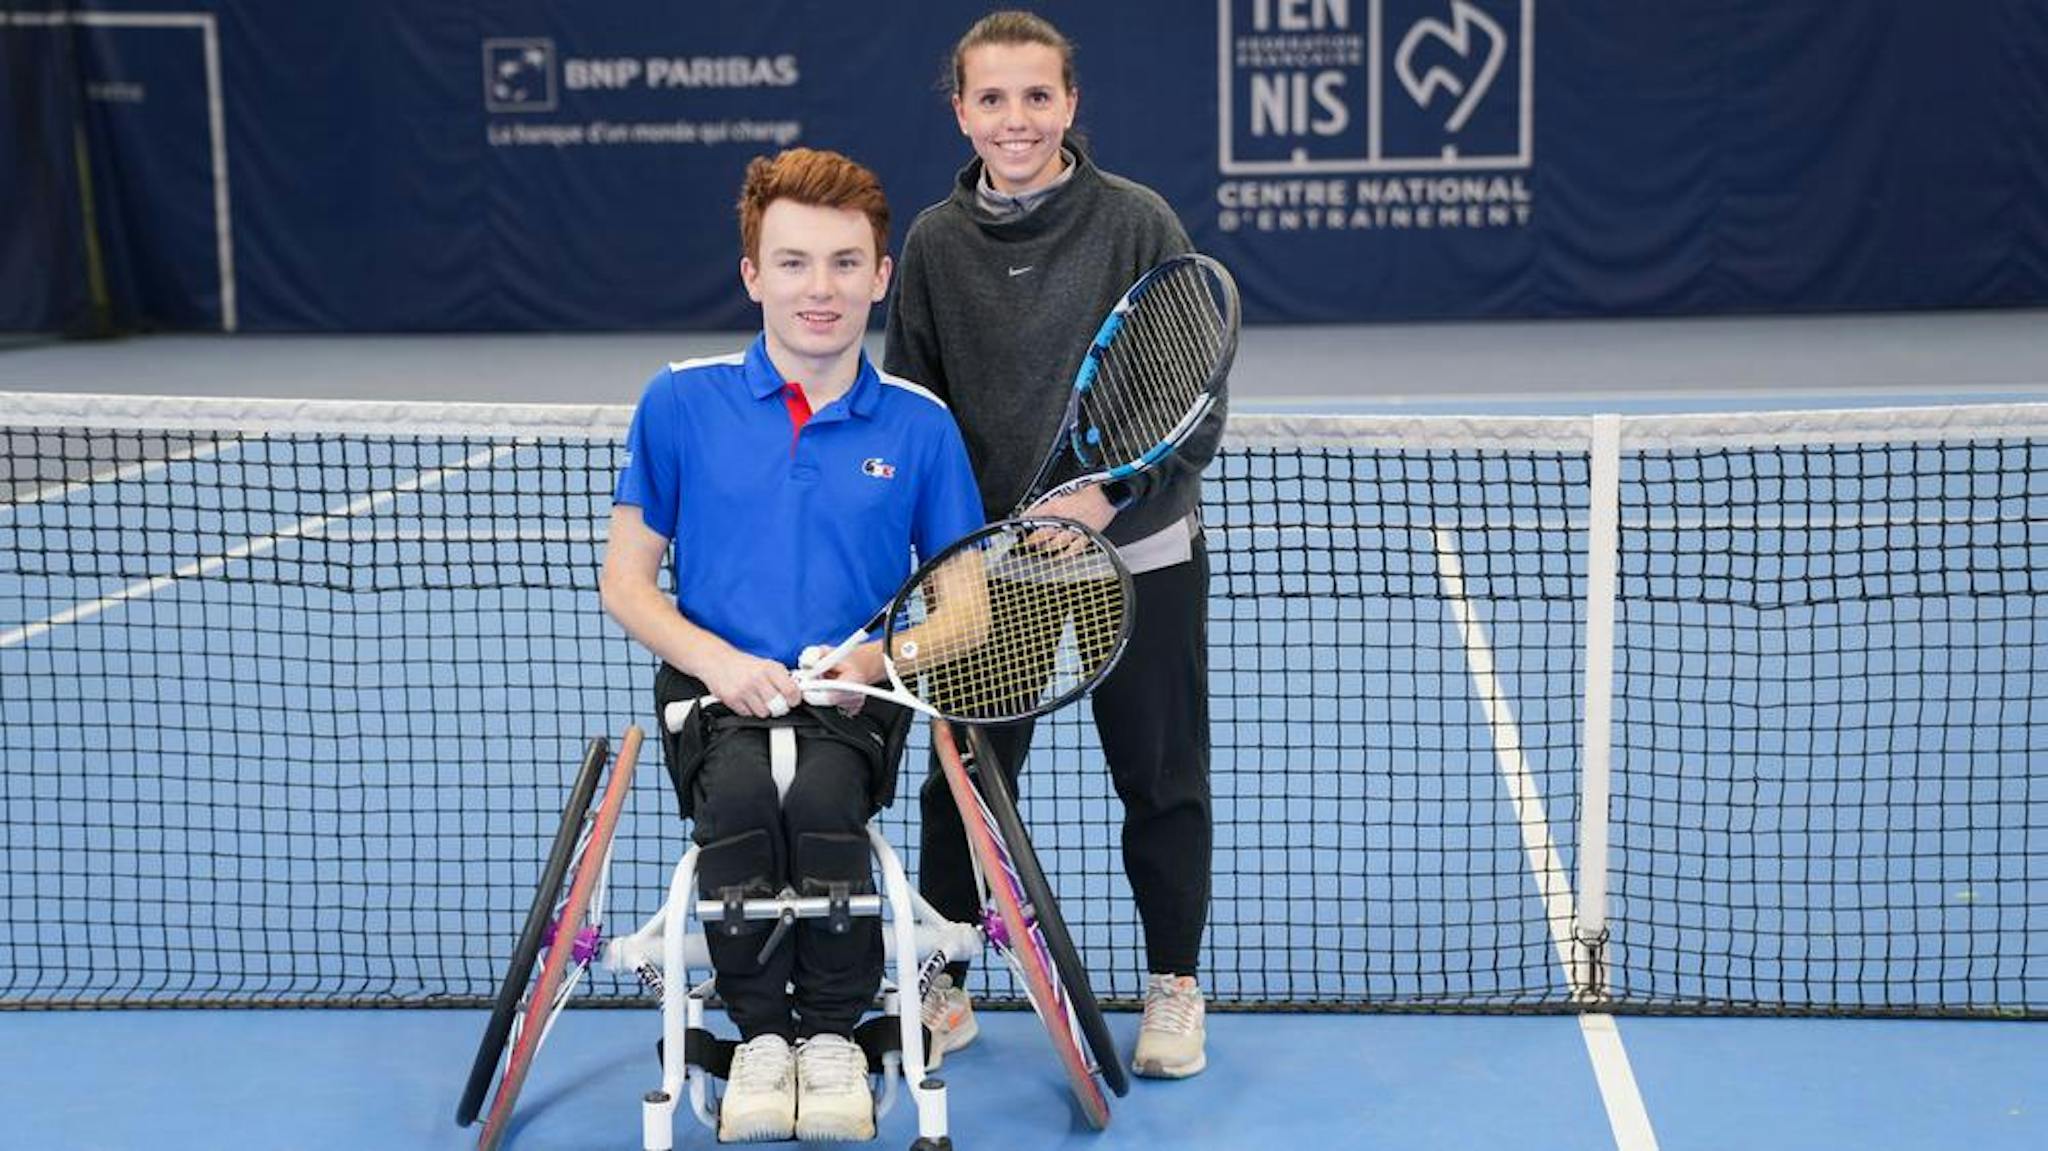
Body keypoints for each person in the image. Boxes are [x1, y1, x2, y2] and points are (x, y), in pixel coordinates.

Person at [601, 147, 985, 1142]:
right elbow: (626, 582)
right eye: (794, 262)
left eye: (845, 263)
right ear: (751, 274)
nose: (821, 289)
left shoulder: (921, 426)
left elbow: (967, 609)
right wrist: (720, 662)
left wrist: (872, 661)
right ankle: (761, 1037)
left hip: (852, 703)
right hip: (712, 690)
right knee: (736, 805)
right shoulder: (678, 402)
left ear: (880, 276)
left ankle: (830, 1037)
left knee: (820, 806)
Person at [884, 10, 1225, 1081]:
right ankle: (942, 973)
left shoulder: (1137, 222)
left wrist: (1106, 498)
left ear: (1070, 104)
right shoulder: (937, 243)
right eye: (993, 98)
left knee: (1159, 777)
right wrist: (958, 542)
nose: (1016, 118)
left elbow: (1190, 396)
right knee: (967, 779)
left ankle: (1172, 983)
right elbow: (917, 406)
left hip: (1138, 553)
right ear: (961, 109)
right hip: (992, 567)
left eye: (1037, 95)